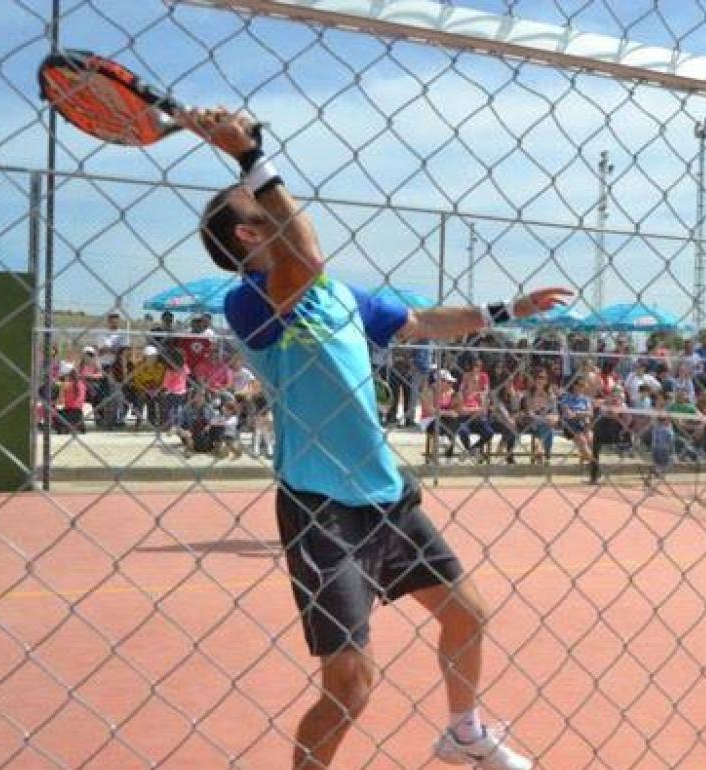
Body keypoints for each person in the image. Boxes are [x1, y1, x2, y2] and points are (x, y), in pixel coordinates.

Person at [189, 105, 569, 770]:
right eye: (266, 203)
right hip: (321, 507)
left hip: (387, 495)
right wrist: (249, 156)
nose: (284, 203)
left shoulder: (340, 295)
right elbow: (304, 256)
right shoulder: (251, 301)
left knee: (467, 613)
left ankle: (464, 733)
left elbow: (420, 322)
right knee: (351, 685)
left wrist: (510, 309)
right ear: (249, 232)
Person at [520, 370, 558, 465]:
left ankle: (539, 450)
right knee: (547, 427)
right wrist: (544, 418)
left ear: (547, 381)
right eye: (538, 377)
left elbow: (555, 412)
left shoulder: (550, 395)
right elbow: (529, 412)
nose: (540, 380)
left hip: (545, 421)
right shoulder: (529, 394)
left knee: (548, 427)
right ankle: (545, 454)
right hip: (531, 421)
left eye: (543, 378)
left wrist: (552, 417)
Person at [558, 377, 595, 464]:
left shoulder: (586, 399)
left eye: (583, 385)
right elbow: (568, 414)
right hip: (570, 425)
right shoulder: (566, 398)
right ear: (574, 385)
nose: (581, 388)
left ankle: (585, 459)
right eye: (579, 385)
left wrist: (578, 413)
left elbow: (590, 413)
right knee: (583, 441)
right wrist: (583, 413)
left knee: (591, 439)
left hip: (583, 424)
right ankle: (595, 465)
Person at [58, 363, 87, 434]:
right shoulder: (80, 383)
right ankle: (75, 425)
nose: (63, 378)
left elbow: (60, 401)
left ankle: (68, 426)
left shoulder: (67, 385)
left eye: (64, 376)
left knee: (56, 412)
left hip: (70, 411)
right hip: (77, 411)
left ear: (68, 375)